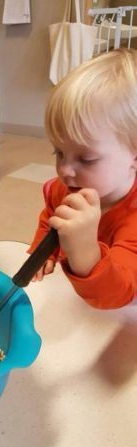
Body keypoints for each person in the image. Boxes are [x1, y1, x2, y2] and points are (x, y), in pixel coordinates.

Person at [29, 48, 137, 309]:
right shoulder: (65, 188)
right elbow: (50, 219)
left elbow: (117, 295)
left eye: (86, 159)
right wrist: (44, 251)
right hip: (75, 298)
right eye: (59, 153)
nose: (65, 170)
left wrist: (85, 251)